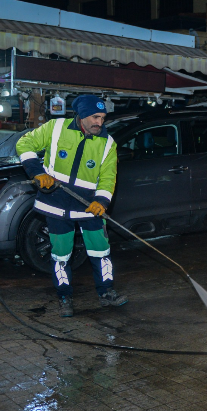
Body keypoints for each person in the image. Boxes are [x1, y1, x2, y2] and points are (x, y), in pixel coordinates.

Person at [16, 95, 127, 317]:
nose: (100, 122)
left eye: (103, 118)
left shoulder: (108, 143)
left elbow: (108, 177)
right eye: (95, 117)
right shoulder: (55, 128)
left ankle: (106, 293)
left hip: (89, 207)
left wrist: (102, 201)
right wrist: (37, 172)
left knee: (101, 251)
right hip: (56, 204)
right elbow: (24, 144)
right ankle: (64, 296)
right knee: (61, 254)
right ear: (82, 116)